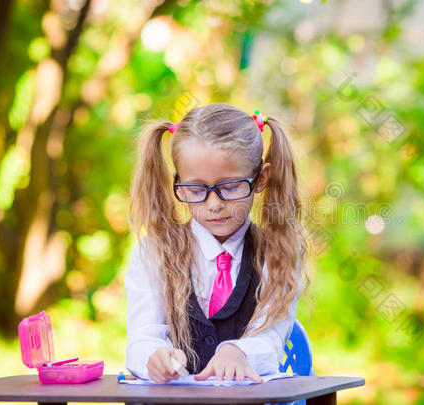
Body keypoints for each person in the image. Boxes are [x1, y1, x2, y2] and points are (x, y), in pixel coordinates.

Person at [125, 103, 310, 383]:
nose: (214, 204)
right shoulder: (155, 251)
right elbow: (142, 335)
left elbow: (271, 336)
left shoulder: (278, 253)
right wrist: (153, 356)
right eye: (196, 189)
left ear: (260, 178)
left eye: (230, 187)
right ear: (178, 182)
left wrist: (239, 352)